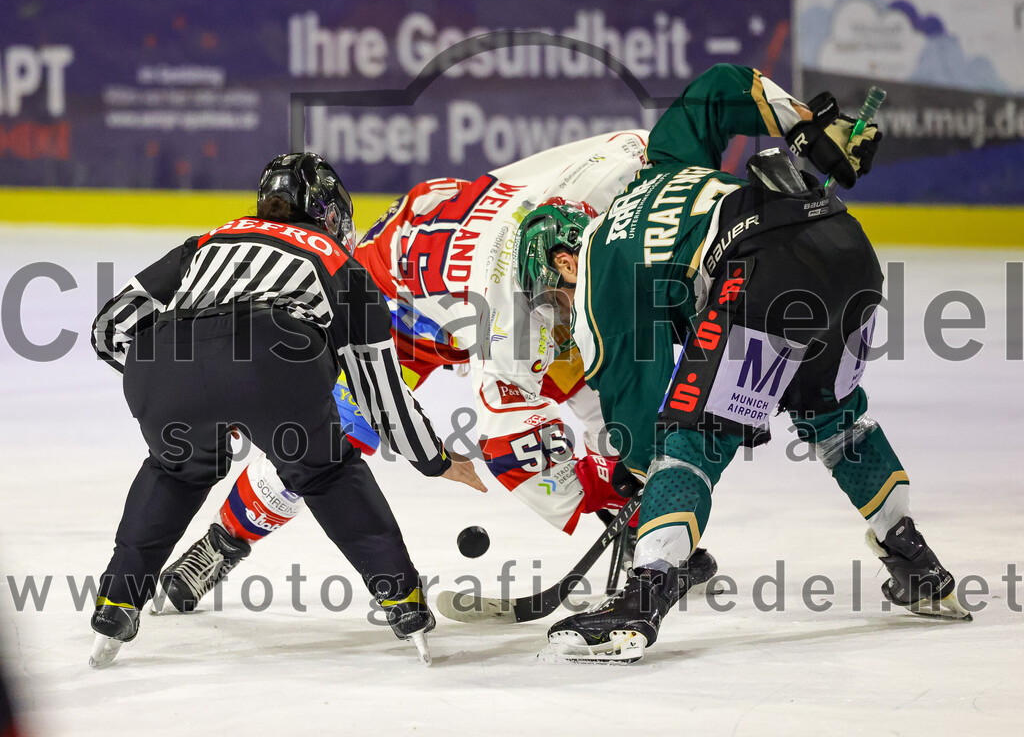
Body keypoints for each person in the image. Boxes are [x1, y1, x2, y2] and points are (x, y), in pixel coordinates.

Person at [516, 63, 973, 662]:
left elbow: (633, 400)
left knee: (692, 442)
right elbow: (720, 85)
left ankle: (642, 601)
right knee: (836, 417)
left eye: (550, 293)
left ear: (564, 263)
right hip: (848, 250)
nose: (557, 306)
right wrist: (810, 128)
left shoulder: (599, 266)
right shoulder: (666, 163)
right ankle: (917, 563)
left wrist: (639, 473)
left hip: (758, 276)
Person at [156, 132, 717, 614]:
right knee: (324, 436)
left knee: (600, 384)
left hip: (452, 274)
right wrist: (594, 483)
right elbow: (509, 442)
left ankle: (647, 525)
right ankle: (223, 542)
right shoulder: (509, 321)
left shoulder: (578, 198)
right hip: (394, 318)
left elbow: (636, 146)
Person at [88, 152, 485, 668]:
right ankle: (404, 605)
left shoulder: (211, 239)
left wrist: (168, 382)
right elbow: (379, 396)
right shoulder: (346, 267)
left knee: (175, 473)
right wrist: (433, 457)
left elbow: (111, 325)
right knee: (327, 473)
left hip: (165, 360)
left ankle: (116, 605)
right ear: (331, 214)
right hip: (275, 360)